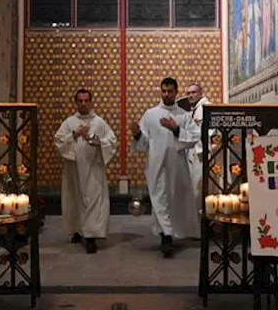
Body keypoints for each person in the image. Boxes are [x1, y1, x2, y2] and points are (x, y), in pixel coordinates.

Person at [132, 77, 196, 256]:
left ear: (176, 92)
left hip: (177, 165)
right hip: (156, 164)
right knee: (159, 199)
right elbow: (144, 142)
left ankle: (169, 233)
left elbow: (194, 137)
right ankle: (166, 237)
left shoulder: (183, 115)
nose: (166, 94)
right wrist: (137, 134)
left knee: (173, 199)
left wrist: (176, 129)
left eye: (170, 91)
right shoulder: (151, 114)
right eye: (163, 91)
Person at [53, 89, 117, 253]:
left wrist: (97, 140)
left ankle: (91, 236)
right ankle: (77, 230)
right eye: (80, 101)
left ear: (91, 101)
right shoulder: (69, 122)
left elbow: (111, 141)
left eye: (86, 100)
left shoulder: (99, 122)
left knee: (94, 200)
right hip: (74, 169)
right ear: (76, 102)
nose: (83, 103)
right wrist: (75, 134)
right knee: (75, 200)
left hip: (93, 169)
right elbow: (58, 141)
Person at [179, 82, 211, 216]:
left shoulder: (206, 107)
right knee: (194, 188)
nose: (190, 95)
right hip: (194, 155)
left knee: (199, 188)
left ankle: (200, 223)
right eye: (189, 93)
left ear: (201, 93)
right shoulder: (195, 109)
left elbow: (209, 131)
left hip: (202, 154)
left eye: (194, 92)